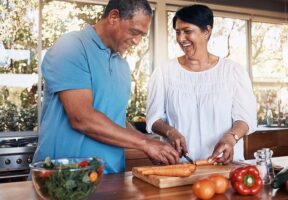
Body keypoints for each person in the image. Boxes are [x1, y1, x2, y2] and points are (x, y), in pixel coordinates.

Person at [33, 0, 180, 174]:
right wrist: (145, 143)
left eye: (142, 35)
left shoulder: (122, 66)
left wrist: (150, 143)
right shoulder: (71, 47)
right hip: (63, 179)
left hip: (111, 177)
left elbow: (115, 119)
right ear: (113, 17)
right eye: (134, 32)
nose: (136, 41)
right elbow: (82, 118)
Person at [146, 4, 257, 164]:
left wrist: (231, 138)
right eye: (177, 32)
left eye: (187, 31)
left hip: (223, 165)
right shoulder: (164, 72)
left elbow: (245, 118)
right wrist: (170, 132)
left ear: (207, 31)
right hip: (179, 166)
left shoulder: (233, 71)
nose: (181, 38)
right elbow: (154, 118)